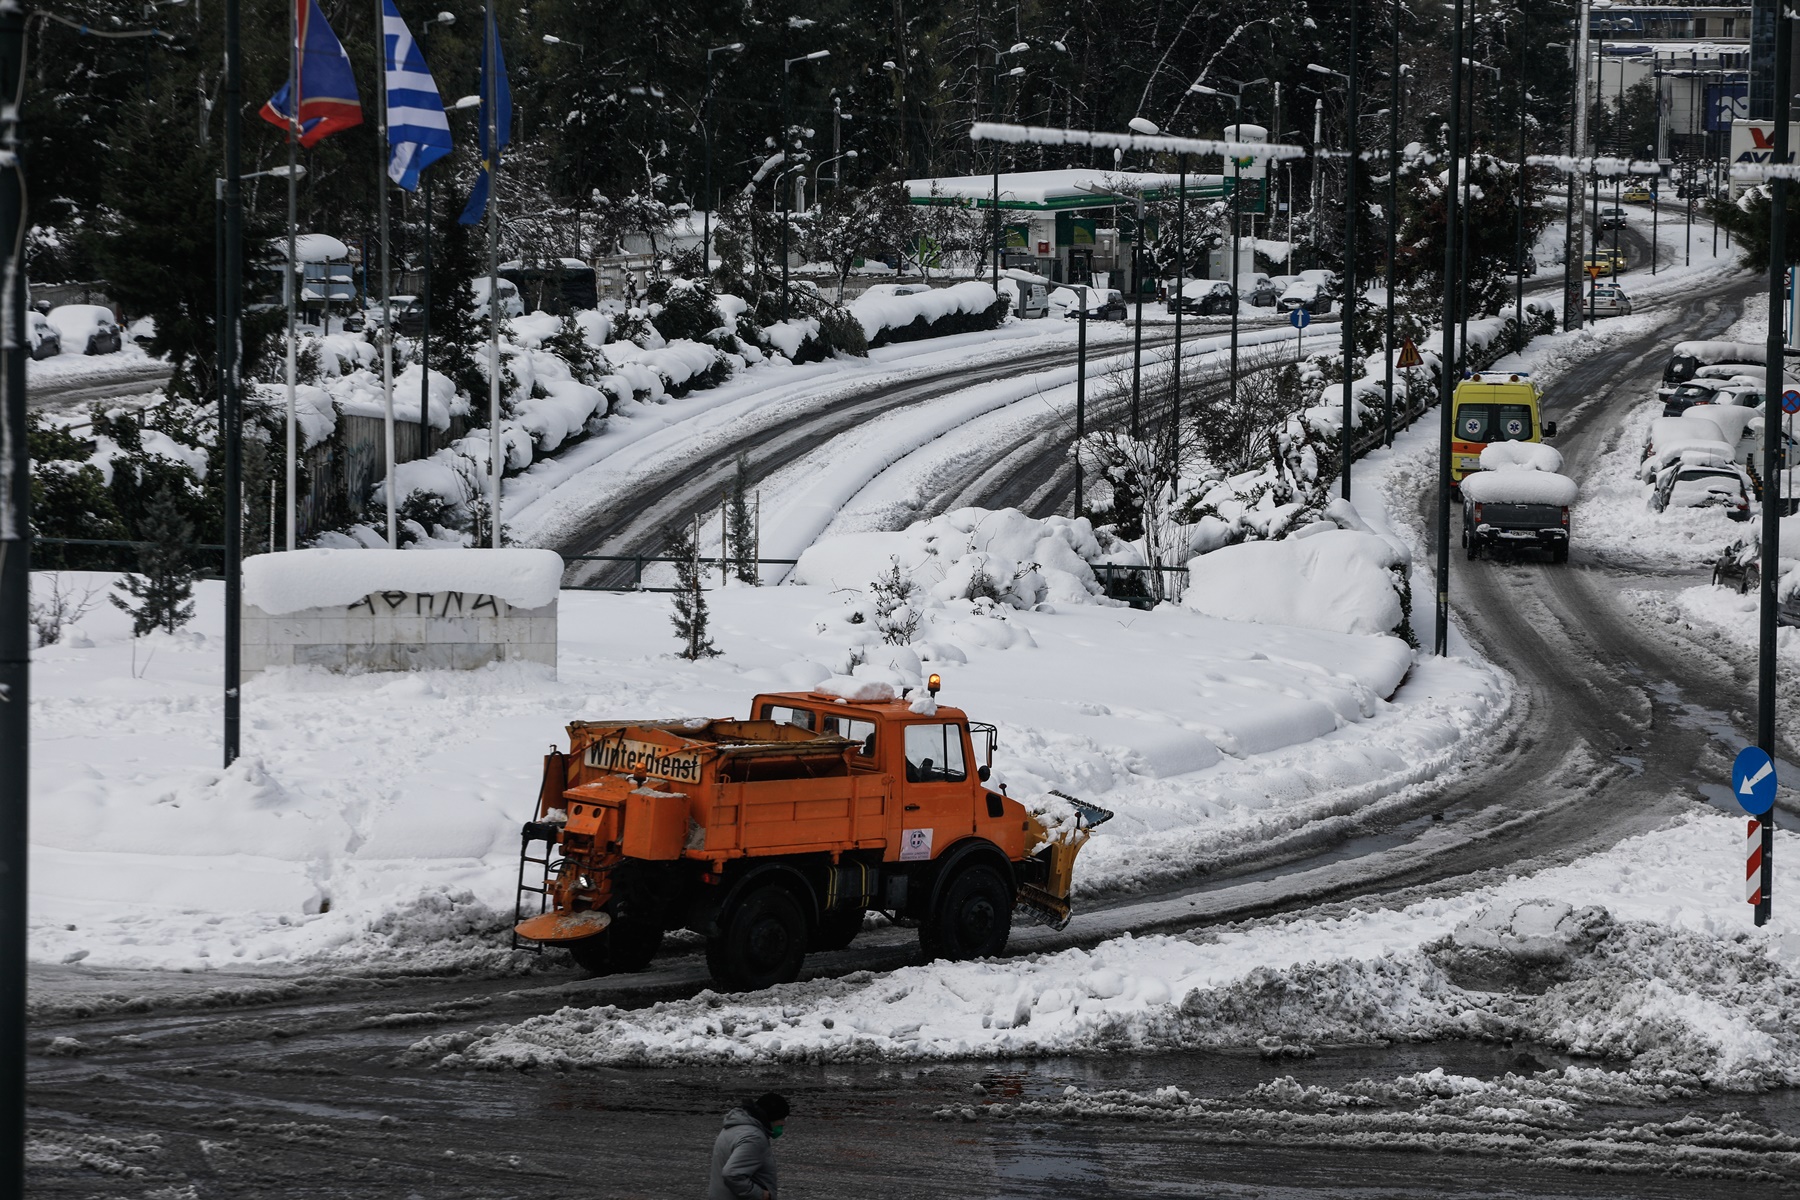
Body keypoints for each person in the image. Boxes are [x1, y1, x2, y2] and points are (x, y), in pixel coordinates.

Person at [708, 1091, 789, 1200]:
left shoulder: (734, 1127)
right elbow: (732, 1174)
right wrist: (761, 1194)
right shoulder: (754, 1138)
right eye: (781, 1118)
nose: (783, 1123)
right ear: (771, 1116)